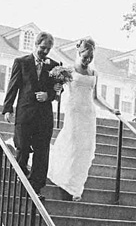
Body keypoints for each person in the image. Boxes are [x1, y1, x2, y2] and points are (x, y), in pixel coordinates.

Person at [48, 37, 120, 202]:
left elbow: (95, 96)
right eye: (85, 57)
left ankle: (76, 187)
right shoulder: (69, 71)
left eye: (90, 58)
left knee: (85, 150)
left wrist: (111, 109)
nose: (87, 60)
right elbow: (58, 93)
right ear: (79, 53)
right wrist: (56, 90)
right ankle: (66, 180)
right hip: (74, 111)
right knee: (72, 144)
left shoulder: (94, 73)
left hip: (88, 113)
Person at [2, 32, 62, 199]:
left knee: (42, 153)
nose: (45, 52)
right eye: (43, 48)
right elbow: (13, 86)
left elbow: (57, 90)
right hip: (25, 113)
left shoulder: (55, 66)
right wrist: (8, 108)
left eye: (48, 49)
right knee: (22, 150)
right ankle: (21, 186)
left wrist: (49, 95)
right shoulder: (22, 62)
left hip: (44, 116)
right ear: (36, 45)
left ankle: (36, 188)